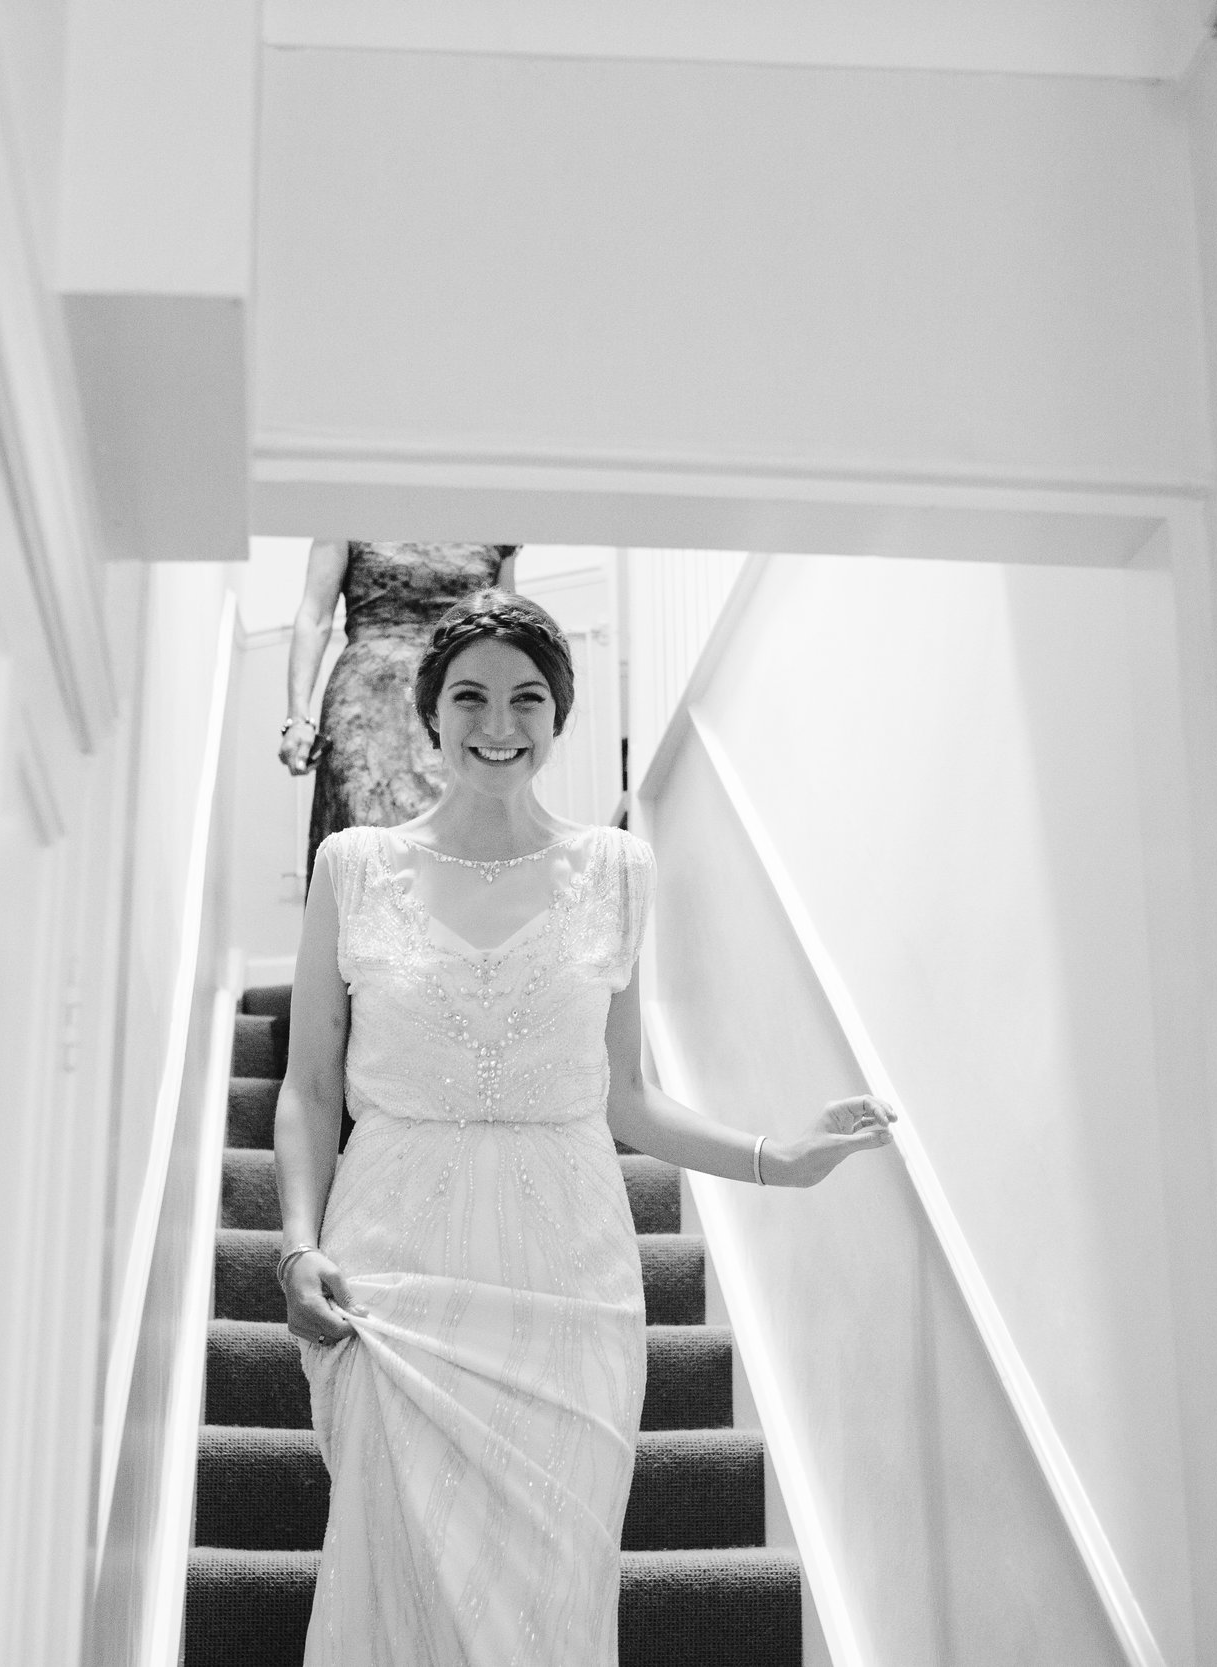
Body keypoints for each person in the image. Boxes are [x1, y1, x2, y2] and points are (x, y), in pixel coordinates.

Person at [270, 590, 897, 1666]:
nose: (497, 722)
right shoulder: (353, 865)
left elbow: (626, 1096)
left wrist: (773, 1159)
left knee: (546, 1602)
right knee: (397, 1571)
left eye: (526, 697)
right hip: (390, 1263)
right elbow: (309, 1086)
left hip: (568, 1270)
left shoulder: (615, 871)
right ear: (429, 713)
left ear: (557, 715)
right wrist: (296, 1243)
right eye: (468, 695)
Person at [278, 540, 518, 888]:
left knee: (455, 853)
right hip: (365, 705)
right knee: (365, 849)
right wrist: (297, 717)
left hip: (458, 706)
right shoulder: (346, 499)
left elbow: (506, 632)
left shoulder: (491, 516)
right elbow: (314, 616)